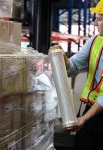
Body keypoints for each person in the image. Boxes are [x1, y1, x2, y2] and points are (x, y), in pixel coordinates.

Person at [50, 0, 103, 149]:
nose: (95, 23)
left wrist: (84, 119)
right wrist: (63, 58)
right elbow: (71, 67)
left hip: (94, 112)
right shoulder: (95, 41)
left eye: (99, 19)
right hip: (90, 110)